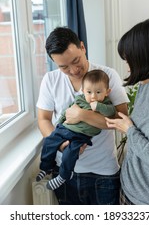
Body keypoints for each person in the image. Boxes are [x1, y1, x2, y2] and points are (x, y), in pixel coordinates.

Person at [36, 26, 129, 205]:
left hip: (103, 173)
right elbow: (44, 119)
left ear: (82, 47)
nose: (73, 70)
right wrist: (62, 145)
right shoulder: (51, 80)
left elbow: (120, 120)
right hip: (63, 171)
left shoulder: (107, 76)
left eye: (76, 60)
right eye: (64, 67)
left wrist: (81, 114)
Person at [105, 18, 149, 205]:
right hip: (127, 191)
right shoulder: (148, 85)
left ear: (147, 58)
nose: (127, 68)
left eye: (129, 61)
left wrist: (130, 131)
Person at [36, 69, 116, 191]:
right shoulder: (80, 100)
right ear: (83, 91)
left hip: (81, 136)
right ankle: (46, 167)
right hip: (65, 128)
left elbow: (112, 114)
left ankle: (63, 176)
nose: (93, 96)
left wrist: (98, 106)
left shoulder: (106, 104)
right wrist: (60, 122)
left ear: (107, 92)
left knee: (70, 153)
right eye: (89, 92)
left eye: (98, 92)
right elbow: (66, 111)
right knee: (49, 141)